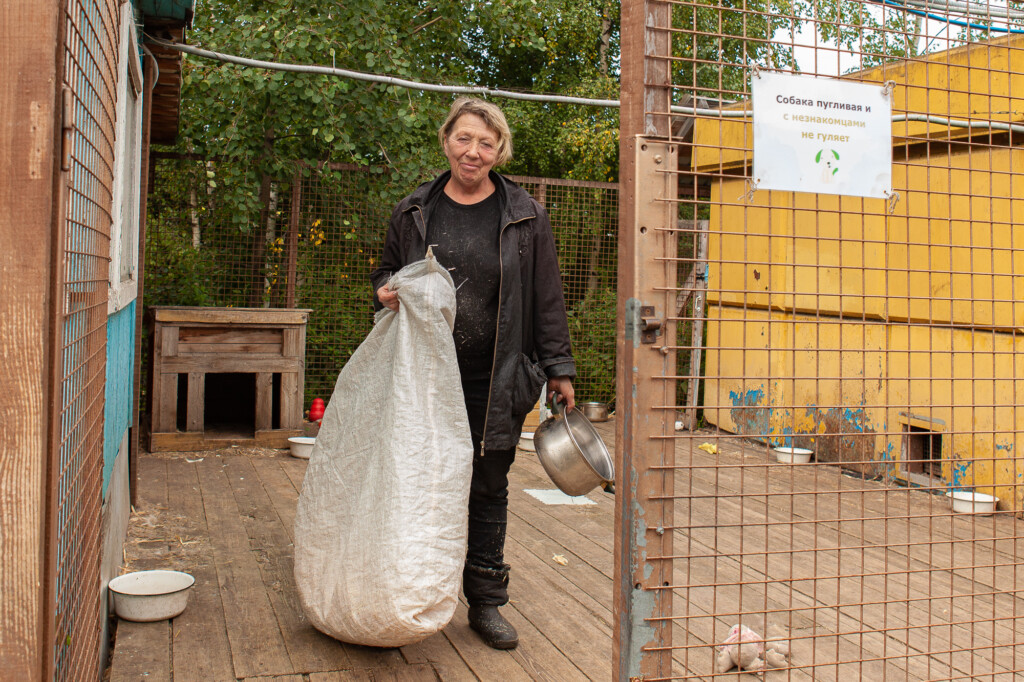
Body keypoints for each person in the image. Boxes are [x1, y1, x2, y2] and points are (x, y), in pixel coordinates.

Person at [369, 97, 576, 650]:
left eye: (486, 143)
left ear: (499, 150)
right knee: (418, 481)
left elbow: (547, 296)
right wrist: (383, 290)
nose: (473, 151)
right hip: (422, 376)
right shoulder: (414, 210)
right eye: (464, 138)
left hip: (496, 377)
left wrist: (559, 368)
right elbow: (386, 270)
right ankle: (410, 594)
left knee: (488, 486)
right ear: (446, 141)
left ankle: (485, 602)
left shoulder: (525, 215)